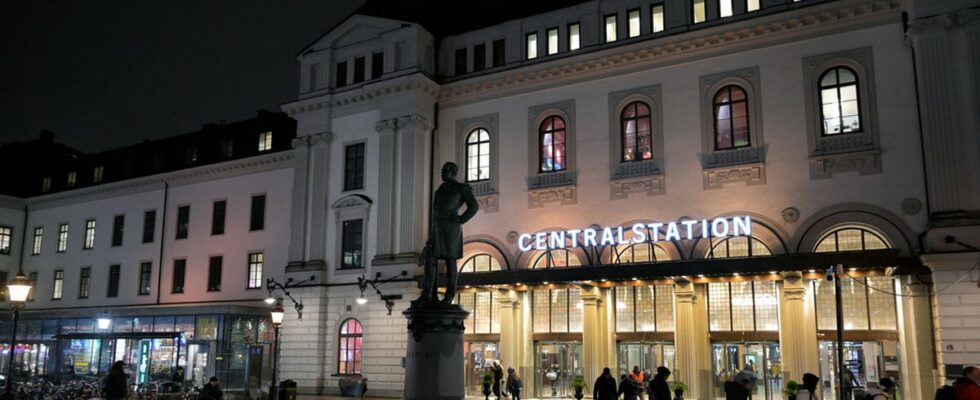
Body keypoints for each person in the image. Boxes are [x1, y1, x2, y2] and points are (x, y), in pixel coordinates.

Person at [417, 162, 479, 305]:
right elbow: (435, 214)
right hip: (437, 229)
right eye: (442, 170)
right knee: (430, 259)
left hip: (451, 229)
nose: (441, 173)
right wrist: (431, 235)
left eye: (444, 170)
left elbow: (474, 206)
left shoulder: (461, 188)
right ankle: (428, 295)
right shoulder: (439, 191)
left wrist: (461, 219)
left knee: (450, 261)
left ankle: (449, 296)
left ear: (452, 172)